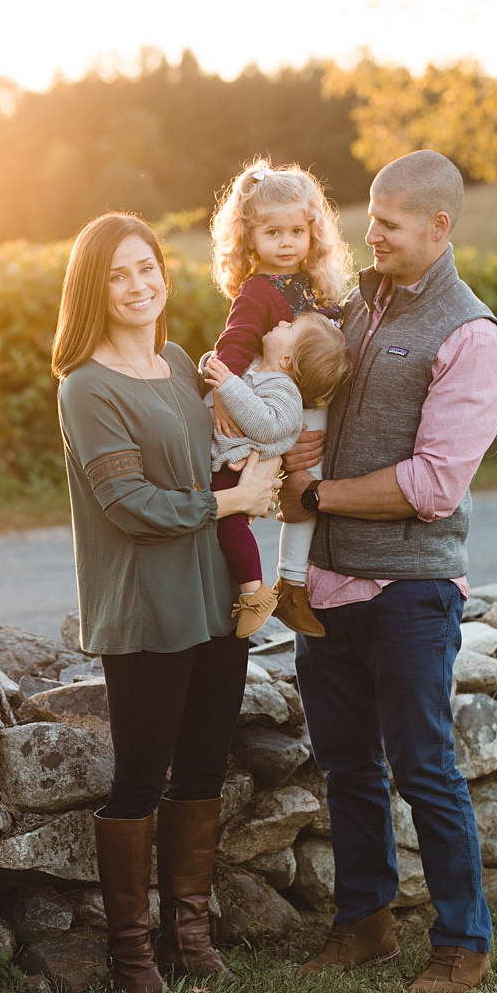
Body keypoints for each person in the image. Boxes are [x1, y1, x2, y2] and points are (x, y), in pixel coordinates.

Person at [277, 150, 497, 993]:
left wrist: (317, 493)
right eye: (369, 215)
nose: (369, 231)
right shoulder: (355, 308)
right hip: (327, 584)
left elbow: (433, 485)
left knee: (423, 766)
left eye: (389, 220)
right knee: (346, 766)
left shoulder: (473, 335)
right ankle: (365, 921)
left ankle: (463, 940)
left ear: (440, 225)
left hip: (411, 591)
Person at [52, 212, 282, 993]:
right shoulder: (85, 386)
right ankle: (131, 954)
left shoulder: (185, 363)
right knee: (142, 774)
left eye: (146, 267)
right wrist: (230, 504)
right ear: (93, 289)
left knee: (204, 766)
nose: (137, 285)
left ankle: (190, 934)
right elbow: (130, 504)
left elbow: (222, 458)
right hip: (146, 607)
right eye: (117, 274)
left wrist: (260, 469)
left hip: (218, 600)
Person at [206, 158, 353, 638]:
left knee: (307, 491)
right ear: (250, 238)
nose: (287, 243)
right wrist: (224, 393)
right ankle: (272, 586)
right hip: (273, 405)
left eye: (296, 231)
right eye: (273, 233)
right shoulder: (258, 290)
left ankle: (293, 583)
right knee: (258, 493)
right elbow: (233, 341)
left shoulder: (308, 285)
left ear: (313, 232)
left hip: (307, 403)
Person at [201, 313, 352, 637]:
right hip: (215, 458)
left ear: (286, 358)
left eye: (290, 327)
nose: (282, 322)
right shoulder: (256, 364)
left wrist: (227, 384)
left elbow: (268, 425)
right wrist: (214, 367)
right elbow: (217, 372)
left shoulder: (285, 392)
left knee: (231, 525)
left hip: (233, 466)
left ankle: (254, 591)